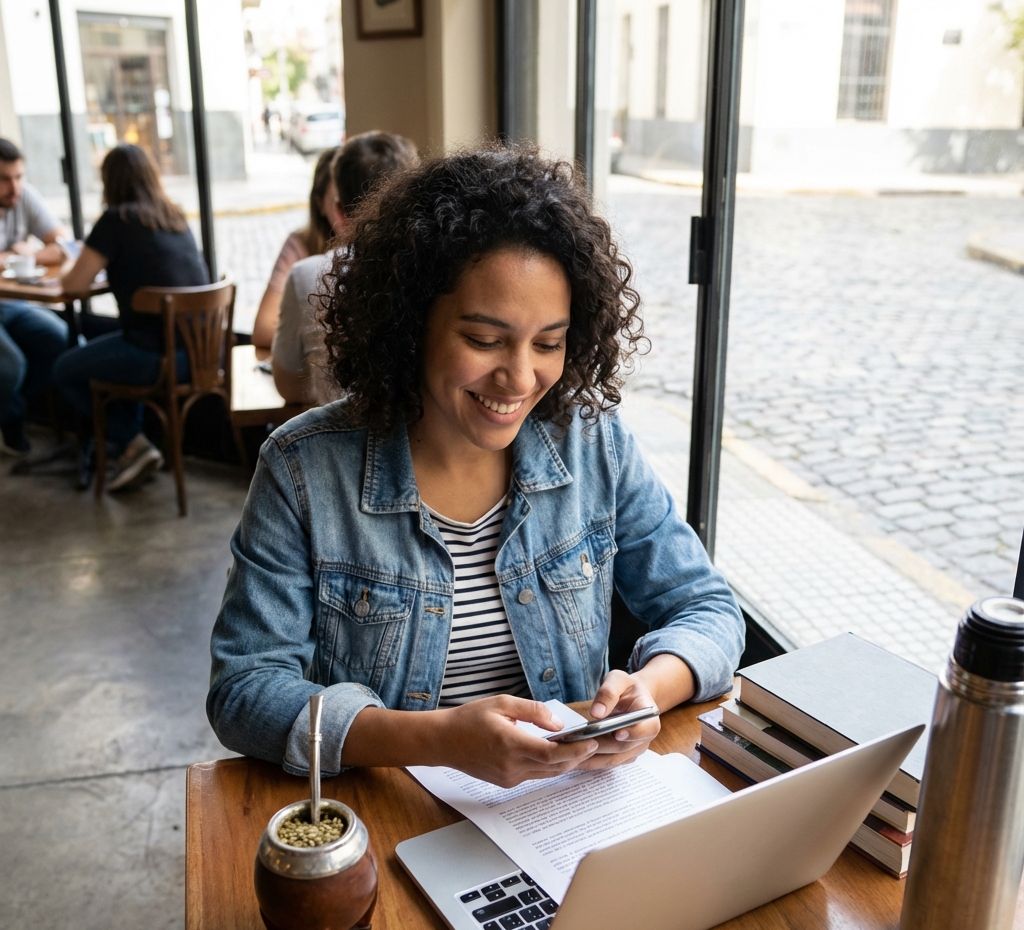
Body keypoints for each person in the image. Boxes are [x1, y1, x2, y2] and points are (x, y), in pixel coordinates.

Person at [208, 146, 744, 788]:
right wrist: (437, 740)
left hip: (564, 809)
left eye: (548, 343)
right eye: (484, 340)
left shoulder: (592, 443)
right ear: (410, 323)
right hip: (392, 811)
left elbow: (708, 607)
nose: (520, 377)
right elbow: (244, 690)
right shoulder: (303, 470)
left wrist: (649, 691)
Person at [53, 144, 209, 491]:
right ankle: (131, 449)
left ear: (109, 181)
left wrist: (67, 259)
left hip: (158, 360)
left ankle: (131, 442)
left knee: (64, 369)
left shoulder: (116, 220)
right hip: (201, 356)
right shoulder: (173, 216)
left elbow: (73, 285)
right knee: (117, 343)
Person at [271, 131, 419, 405]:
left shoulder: (307, 276)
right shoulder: (440, 267)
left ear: (339, 211)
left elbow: (288, 386)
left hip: (340, 431)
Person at [0, 137, 70, 456]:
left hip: (15, 303)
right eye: (4, 179)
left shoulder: (23, 196)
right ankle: (12, 423)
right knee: (11, 365)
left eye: (18, 177)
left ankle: (12, 407)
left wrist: (26, 254)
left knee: (64, 341)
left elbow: (63, 245)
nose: (13, 187)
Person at [250, 147, 345, 351]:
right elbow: (263, 328)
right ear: (320, 203)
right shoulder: (300, 245)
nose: (349, 212)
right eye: (339, 202)